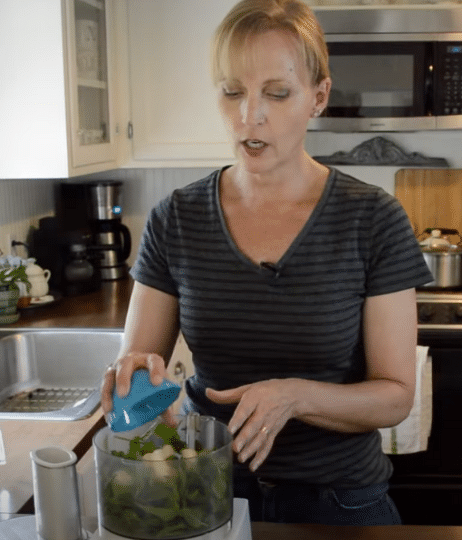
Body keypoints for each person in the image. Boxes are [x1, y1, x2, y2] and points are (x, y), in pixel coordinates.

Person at [101, 0, 432, 526]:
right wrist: (135, 387)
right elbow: (139, 370)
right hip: (209, 490)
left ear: (318, 96)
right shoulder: (176, 218)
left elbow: (394, 397)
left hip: (339, 502)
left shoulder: (373, 218)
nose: (249, 115)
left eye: (277, 93)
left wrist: (294, 397)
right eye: (232, 91)